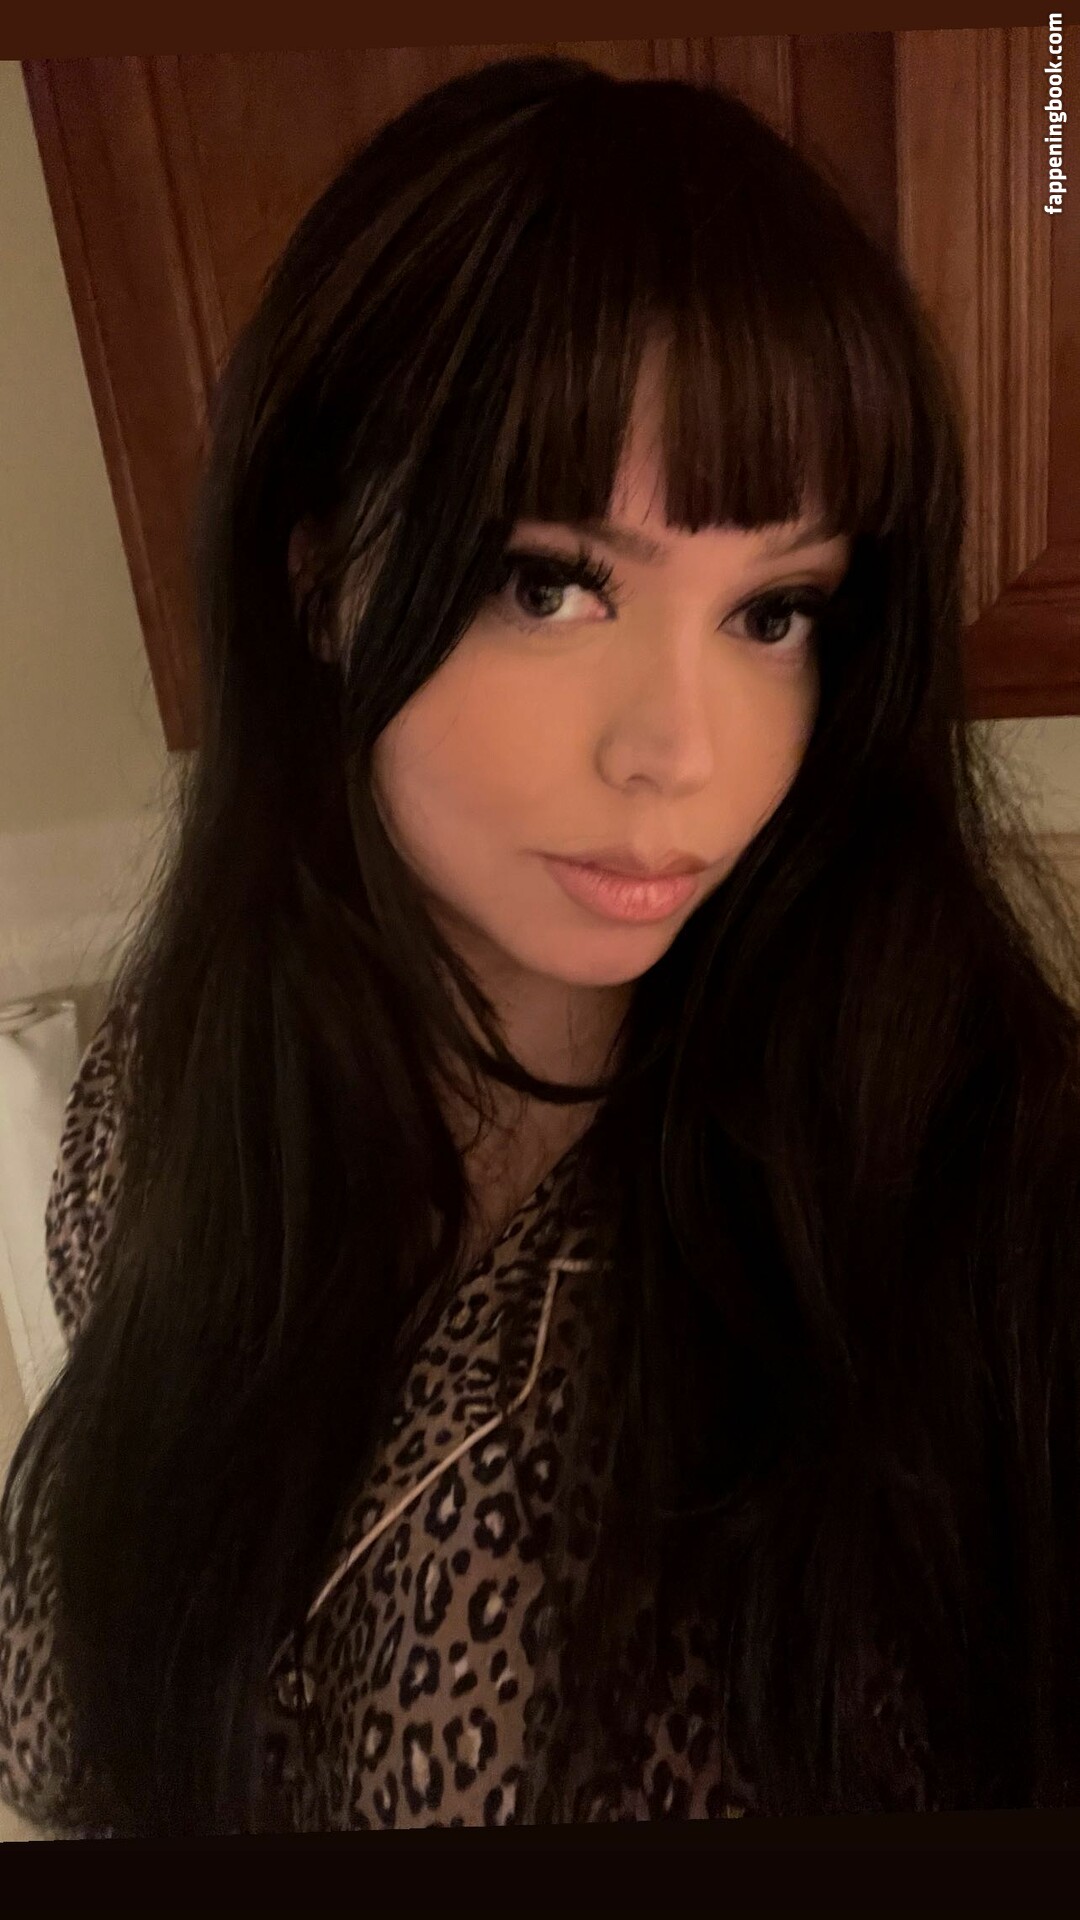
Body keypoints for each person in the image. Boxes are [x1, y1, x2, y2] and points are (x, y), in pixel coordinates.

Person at [3, 52, 1080, 1837]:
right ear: (323, 575)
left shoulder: (981, 1206)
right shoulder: (169, 1107)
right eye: (553, 584)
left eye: (775, 611)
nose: (682, 752)